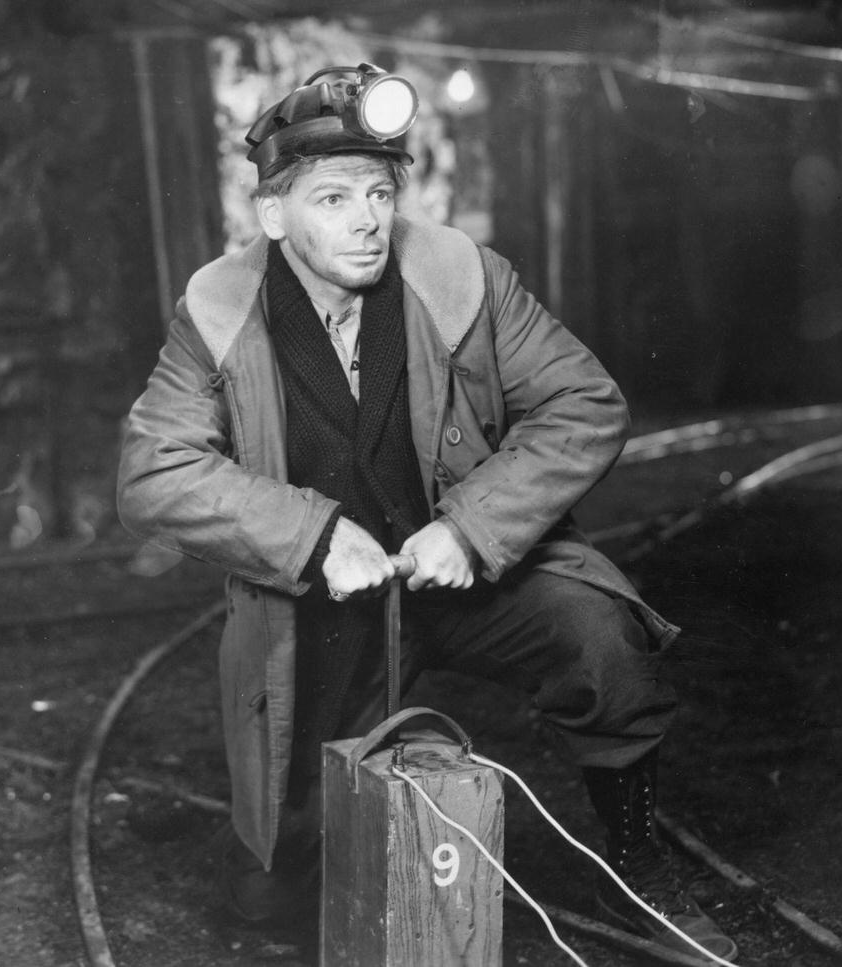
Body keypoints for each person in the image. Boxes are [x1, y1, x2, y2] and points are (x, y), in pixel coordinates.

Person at [117, 63, 737, 963]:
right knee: (273, 893)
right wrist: (314, 535)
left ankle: (642, 859)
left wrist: (472, 528)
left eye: (379, 190)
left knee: (601, 637)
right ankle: (285, 854)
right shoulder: (217, 312)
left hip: (471, 574)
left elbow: (585, 403)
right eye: (333, 197)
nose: (368, 218)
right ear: (275, 215)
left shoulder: (459, 276)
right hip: (324, 604)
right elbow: (151, 471)